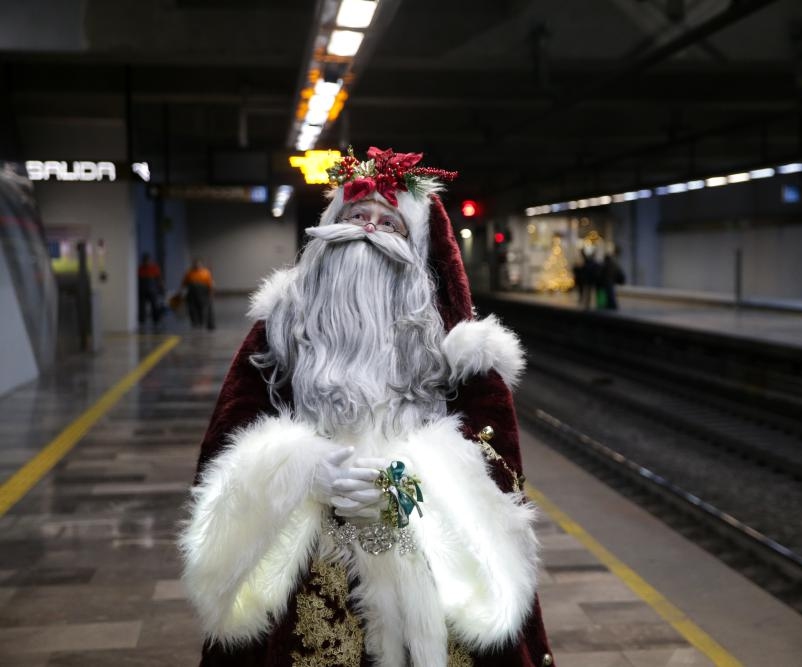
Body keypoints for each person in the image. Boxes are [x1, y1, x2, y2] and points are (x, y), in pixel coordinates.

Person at [178, 147, 553, 667]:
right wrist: (298, 470)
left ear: (416, 248)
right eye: (356, 216)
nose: (369, 231)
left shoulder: (457, 351)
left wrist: (408, 484)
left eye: (388, 222)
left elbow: (499, 473)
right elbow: (224, 449)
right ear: (330, 228)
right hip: (308, 562)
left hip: (425, 568)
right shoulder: (277, 335)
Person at [182, 259, 215, 329]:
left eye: (199, 264)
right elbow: (184, 283)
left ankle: (202, 322)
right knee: (192, 309)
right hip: (192, 294)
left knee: (202, 308)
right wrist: (182, 293)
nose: (197, 265)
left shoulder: (206, 272)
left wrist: (210, 293)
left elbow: (210, 284)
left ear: (201, 264)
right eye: (195, 264)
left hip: (203, 293)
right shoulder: (189, 273)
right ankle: (195, 322)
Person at [137, 252, 164, 328]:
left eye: (148, 260)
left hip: (152, 290)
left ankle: (156, 320)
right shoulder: (140, 269)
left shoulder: (155, 268)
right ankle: (141, 321)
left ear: (150, 260)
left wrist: (161, 288)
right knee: (141, 306)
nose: (146, 262)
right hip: (142, 290)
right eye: (145, 260)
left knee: (154, 306)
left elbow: (159, 279)